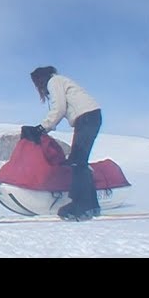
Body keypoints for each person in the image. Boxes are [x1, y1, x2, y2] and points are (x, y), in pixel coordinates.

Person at [22, 66, 102, 221]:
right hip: (89, 117)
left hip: (86, 118)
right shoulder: (59, 81)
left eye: (37, 83)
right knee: (79, 160)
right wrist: (45, 128)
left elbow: (59, 109)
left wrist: (41, 128)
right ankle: (91, 205)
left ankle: (82, 206)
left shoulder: (54, 81)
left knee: (77, 162)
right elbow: (60, 111)